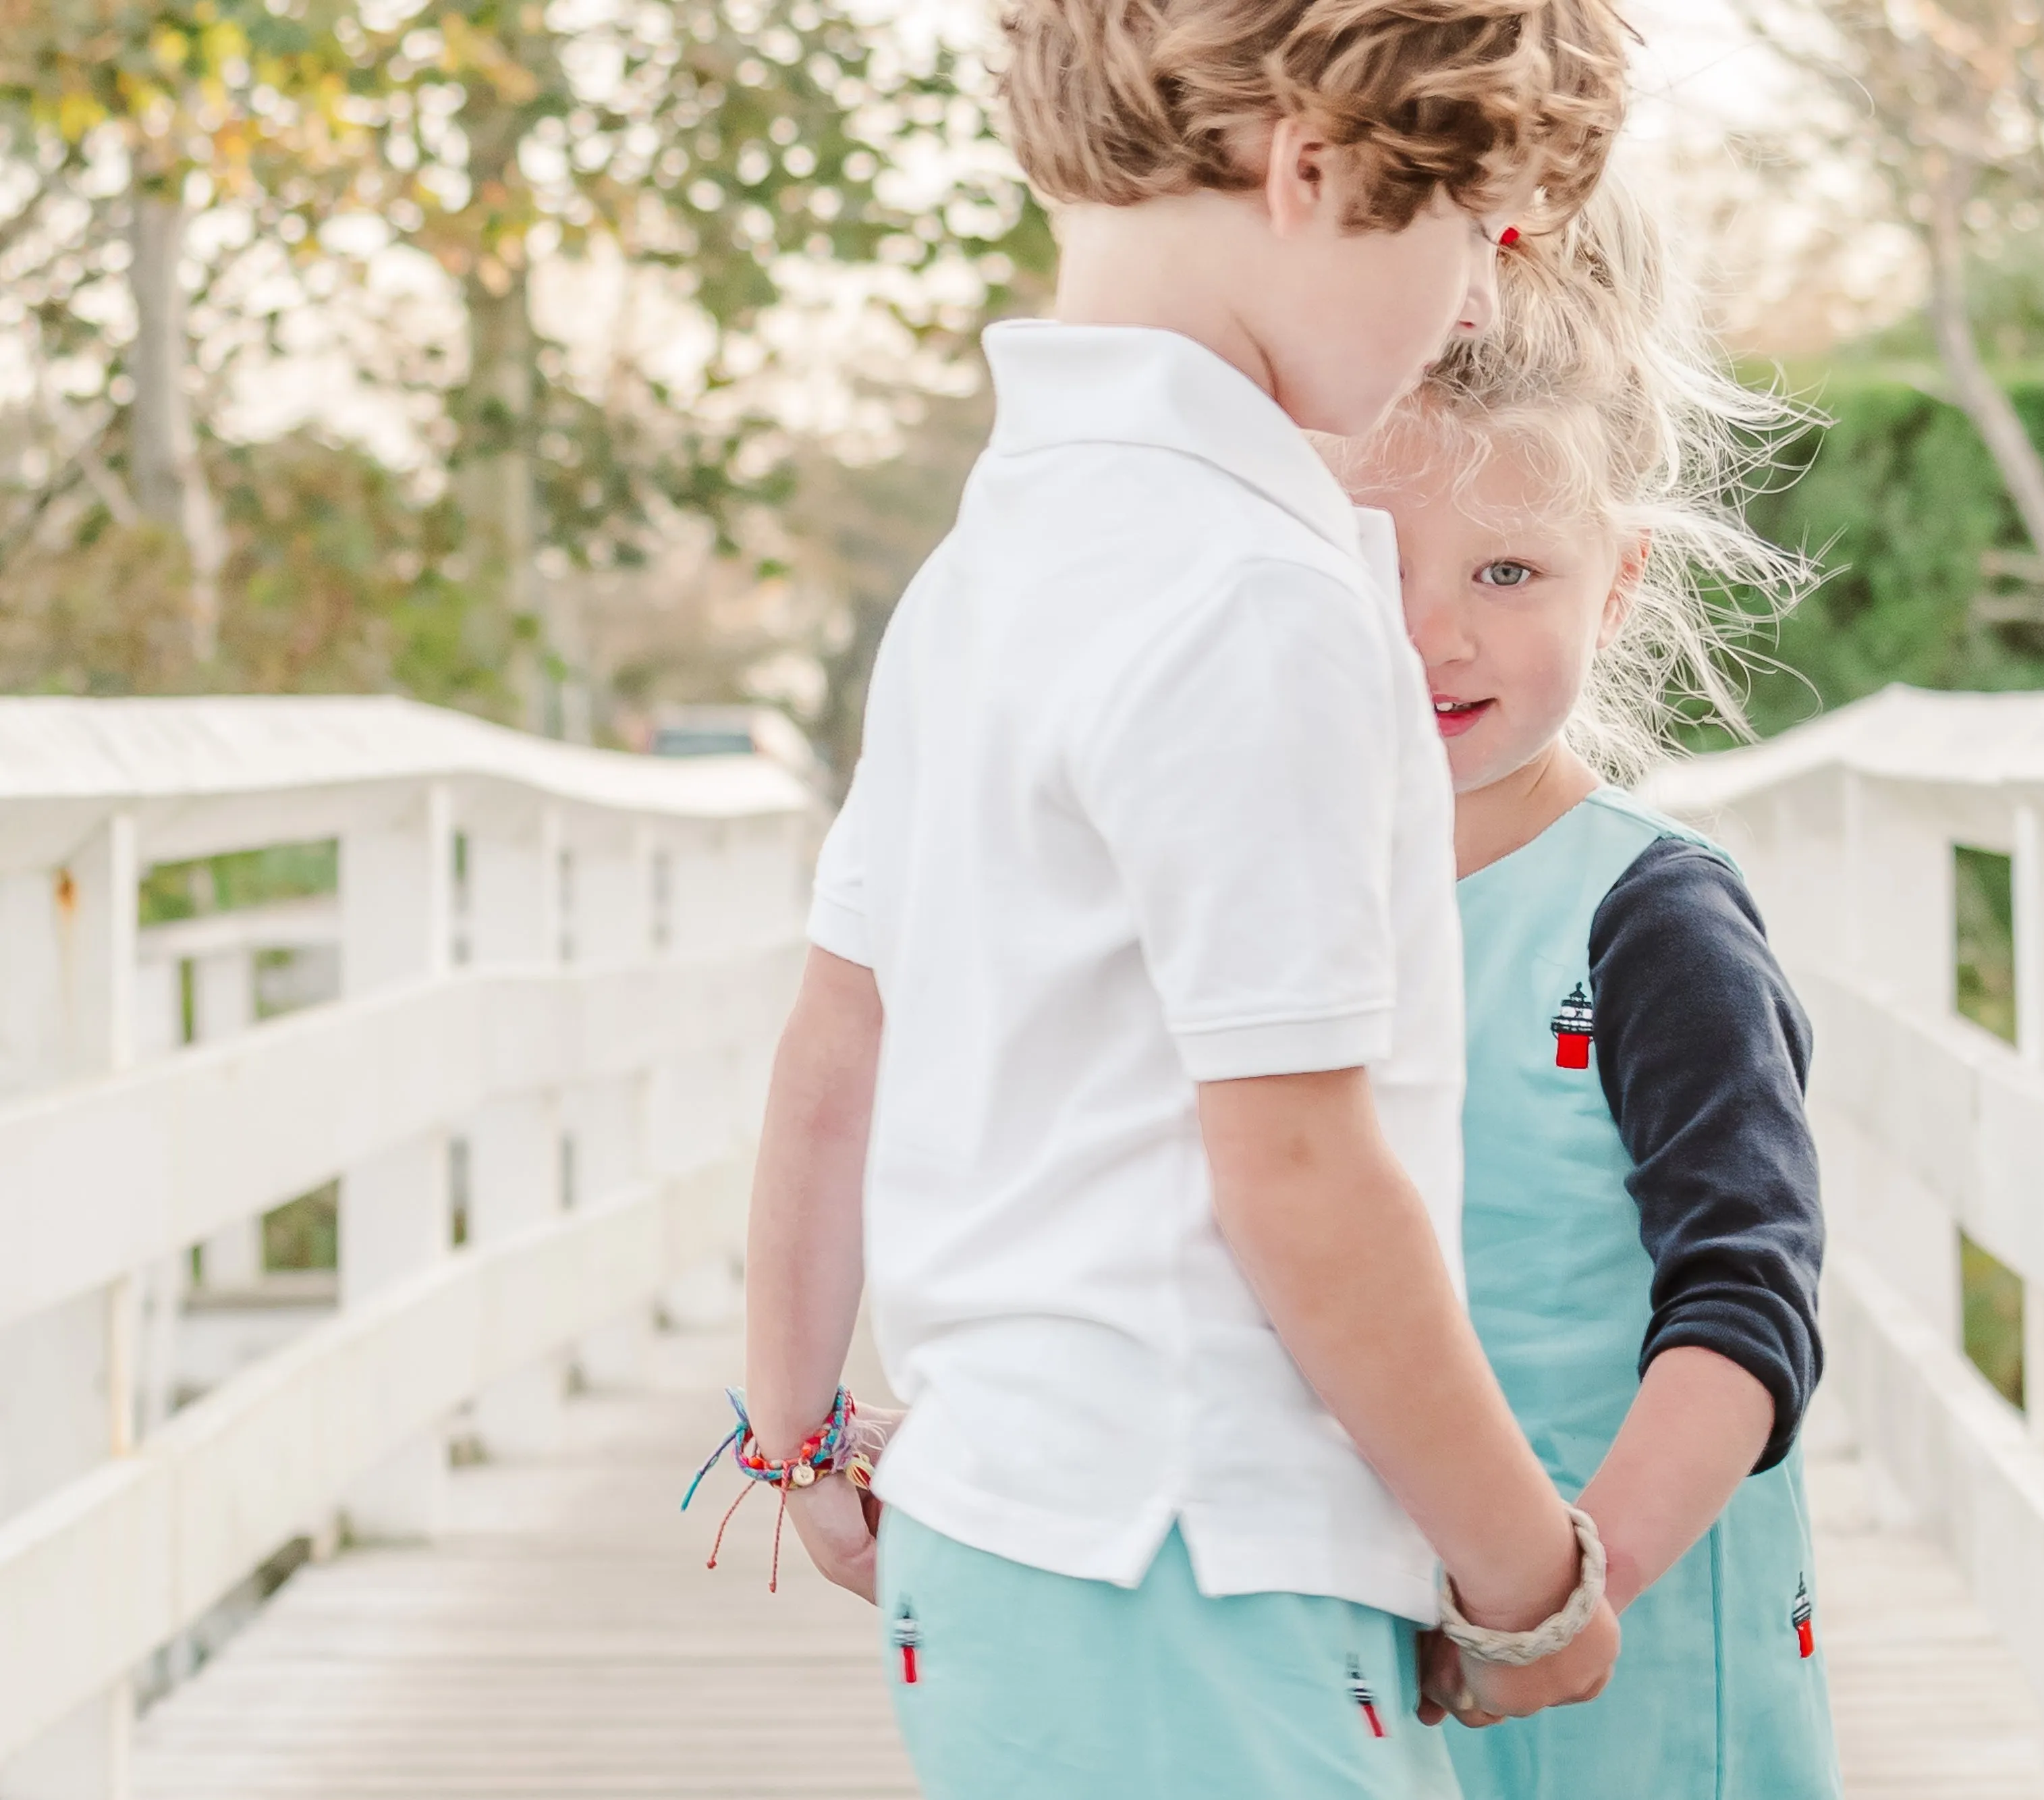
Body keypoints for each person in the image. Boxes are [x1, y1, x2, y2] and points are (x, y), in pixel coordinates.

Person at [737, 0, 1634, 1795]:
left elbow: (842, 1044)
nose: (1471, 304)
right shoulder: (1255, 597)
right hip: (1194, 1555)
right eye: (1471, 233)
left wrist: (796, 1427)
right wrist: (1528, 1569)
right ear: (1315, 169)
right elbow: (1298, 1176)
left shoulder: (989, 568)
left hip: (998, 1539)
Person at [1330, 170, 1844, 1799]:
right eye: (1379, 573)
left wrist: (1561, 1597)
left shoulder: (1651, 919)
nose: (1436, 640)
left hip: (1619, 1656)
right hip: (1354, 1639)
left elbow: (1746, 1304)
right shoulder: (1282, 901)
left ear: (1611, 582)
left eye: (1506, 576)